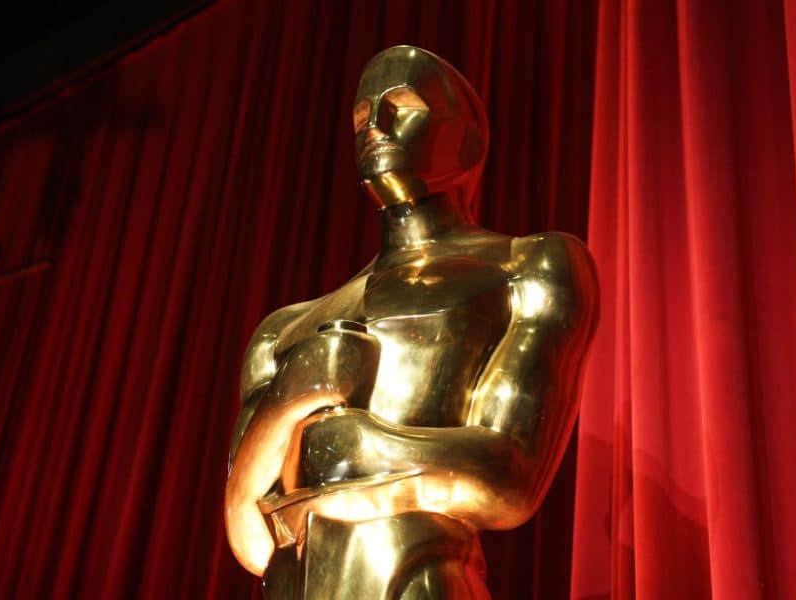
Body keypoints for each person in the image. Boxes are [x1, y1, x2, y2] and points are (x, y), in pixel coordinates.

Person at [225, 45, 598, 599]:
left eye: (402, 104)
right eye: (362, 115)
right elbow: (248, 535)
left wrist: (360, 445)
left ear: (467, 138)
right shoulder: (287, 329)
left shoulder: (525, 268)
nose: (376, 126)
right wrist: (291, 396)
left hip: (417, 579)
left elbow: (510, 476)